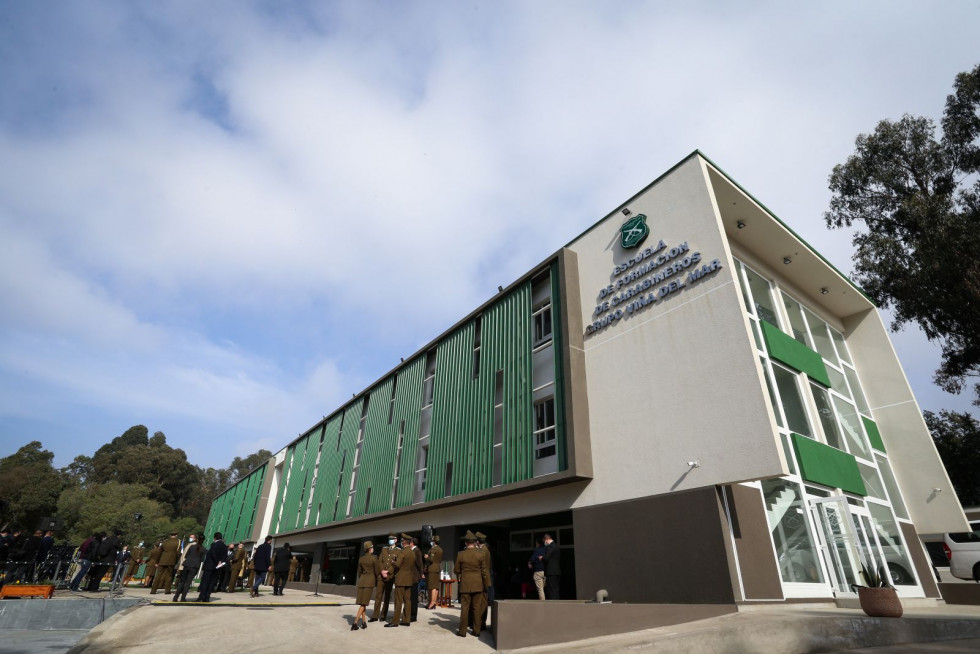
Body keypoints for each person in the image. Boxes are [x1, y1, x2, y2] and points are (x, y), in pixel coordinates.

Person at [454, 531, 490, 638]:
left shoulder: (461, 554)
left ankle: (462, 631)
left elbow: (456, 570)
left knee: (465, 608)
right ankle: (476, 630)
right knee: (476, 608)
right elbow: (484, 572)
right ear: (475, 542)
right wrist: (486, 584)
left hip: (465, 584)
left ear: (466, 543)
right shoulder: (480, 554)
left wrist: (460, 577)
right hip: (478, 585)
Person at [385, 533, 416, 628]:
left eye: (402, 541)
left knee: (398, 601)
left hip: (401, 578)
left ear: (404, 542)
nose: (401, 543)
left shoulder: (402, 552)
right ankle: (406, 620)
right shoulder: (412, 552)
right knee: (407, 600)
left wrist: (393, 561)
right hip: (409, 579)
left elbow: (398, 565)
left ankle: (395, 621)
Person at [370, 533, 398, 622]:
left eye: (392, 539)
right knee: (378, 596)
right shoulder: (384, 549)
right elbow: (380, 561)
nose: (390, 540)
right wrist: (382, 571)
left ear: (395, 540)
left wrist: (388, 571)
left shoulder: (398, 551)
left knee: (387, 597)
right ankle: (375, 615)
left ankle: (383, 615)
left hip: (390, 576)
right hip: (381, 576)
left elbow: (396, 564)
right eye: (389, 538)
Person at [353, 541, 380, 631]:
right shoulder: (374, 559)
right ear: (370, 549)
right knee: (364, 603)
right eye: (372, 547)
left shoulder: (361, 559)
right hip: (369, 583)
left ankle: (364, 622)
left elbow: (359, 572)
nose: (373, 549)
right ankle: (355, 622)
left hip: (362, 582)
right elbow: (377, 572)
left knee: (362, 603)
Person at [195, 532, 226, 603]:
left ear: (215, 537)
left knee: (205, 582)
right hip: (217, 567)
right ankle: (207, 597)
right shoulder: (224, 546)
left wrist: (216, 561)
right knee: (211, 583)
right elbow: (225, 557)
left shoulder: (214, 545)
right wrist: (220, 564)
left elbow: (213, 554)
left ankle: (202, 597)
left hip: (210, 566)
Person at [173, 533, 203, 602]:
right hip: (193, 566)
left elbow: (186, 556)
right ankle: (183, 598)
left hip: (186, 565)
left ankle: (175, 597)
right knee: (187, 583)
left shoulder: (191, 546)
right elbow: (202, 559)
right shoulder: (202, 548)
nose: (190, 538)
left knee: (182, 582)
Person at [476, 531, 493, 630]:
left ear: (478, 542)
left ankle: (481, 623)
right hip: (484, 578)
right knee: (483, 601)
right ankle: (481, 622)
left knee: (482, 602)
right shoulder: (484, 549)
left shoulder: (482, 551)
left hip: (482, 579)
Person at [424, 534, 442, 609]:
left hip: (432, 568)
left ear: (434, 541)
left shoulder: (433, 549)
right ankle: (433, 602)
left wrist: (427, 557)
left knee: (432, 586)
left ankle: (431, 603)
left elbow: (431, 559)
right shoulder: (440, 549)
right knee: (435, 586)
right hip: (437, 568)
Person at [542, 532, 560, 599]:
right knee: (556, 589)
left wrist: (542, 558)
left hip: (551, 572)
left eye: (544, 541)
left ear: (547, 539)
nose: (545, 543)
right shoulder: (556, 546)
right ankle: (557, 603)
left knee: (551, 590)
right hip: (557, 571)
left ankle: (553, 605)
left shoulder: (550, 547)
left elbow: (546, 558)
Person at [410, 537, 423, 621]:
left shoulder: (417, 551)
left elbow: (420, 564)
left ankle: (413, 615)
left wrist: (421, 574)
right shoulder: (412, 551)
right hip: (410, 577)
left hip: (414, 577)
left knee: (413, 598)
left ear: (412, 543)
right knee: (410, 597)